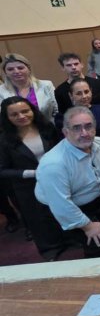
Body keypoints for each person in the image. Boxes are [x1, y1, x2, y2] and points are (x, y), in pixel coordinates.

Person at [35, 107, 100, 257]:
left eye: (88, 126)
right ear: (65, 132)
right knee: (98, 242)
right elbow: (61, 205)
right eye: (76, 128)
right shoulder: (53, 164)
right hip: (69, 207)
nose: (84, 133)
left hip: (98, 195)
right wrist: (87, 226)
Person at [0, 97, 66, 260]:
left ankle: (69, 240)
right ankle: (49, 249)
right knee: (38, 220)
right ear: (7, 117)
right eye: (14, 114)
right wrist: (31, 173)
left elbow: (62, 150)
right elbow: (2, 170)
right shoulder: (4, 140)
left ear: (32, 110)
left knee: (61, 211)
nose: (21, 116)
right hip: (27, 187)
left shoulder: (47, 128)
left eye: (25, 111)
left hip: (55, 180)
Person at [56, 79, 100, 152]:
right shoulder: (64, 117)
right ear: (71, 95)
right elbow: (66, 143)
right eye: (79, 93)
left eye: (86, 92)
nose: (84, 96)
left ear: (91, 91)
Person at [0, 54, 58, 123]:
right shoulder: (1, 91)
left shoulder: (46, 85)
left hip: (48, 126)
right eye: (10, 69)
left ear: (29, 69)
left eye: (20, 68)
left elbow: (56, 110)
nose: (16, 71)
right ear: (5, 72)